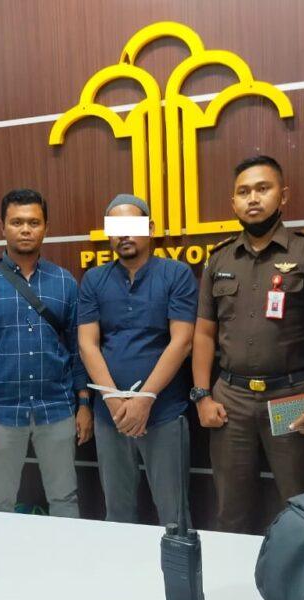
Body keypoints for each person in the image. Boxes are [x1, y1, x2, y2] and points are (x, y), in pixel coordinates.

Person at [192, 156, 304, 534]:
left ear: (283, 195)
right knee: (230, 509)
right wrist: (202, 396)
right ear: (233, 202)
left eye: (263, 188)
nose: (253, 198)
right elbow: (204, 333)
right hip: (231, 400)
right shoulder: (219, 258)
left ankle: (298, 573)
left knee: (301, 508)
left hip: (292, 396)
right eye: (244, 192)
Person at [0, 188, 92, 518]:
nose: (26, 229)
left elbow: (78, 351)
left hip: (56, 408)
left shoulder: (65, 282)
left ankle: (64, 552)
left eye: (34, 222)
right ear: (2, 227)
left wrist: (84, 404)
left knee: (64, 497)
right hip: (1, 411)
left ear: (46, 227)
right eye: (17, 222)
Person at [77, 194, 198, 525]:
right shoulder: (94, 279)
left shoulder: (176, 274)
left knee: (174, 514)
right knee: (117, 512)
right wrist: (114, 400)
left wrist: (144, 399)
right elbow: (87, 344)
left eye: (132, 226)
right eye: (115, 228)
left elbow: (182, 342)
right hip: (110, 416)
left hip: (164, 412)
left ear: (151, 228)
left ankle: (176, 563)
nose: (124, 235)